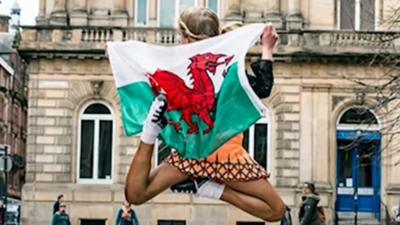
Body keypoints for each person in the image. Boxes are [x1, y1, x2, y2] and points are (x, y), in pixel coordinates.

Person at [123, 7, 285, 222]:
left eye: (181, 38)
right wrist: (267, 49)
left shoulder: (174, 66)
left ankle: (149, 134)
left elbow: (133, 196)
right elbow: (263, 87)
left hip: (191, 154)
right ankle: (211, 189)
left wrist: (121, 58)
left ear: (185, 37)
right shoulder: (226, 69)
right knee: (276, 210)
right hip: (226, 155)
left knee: (136, 194)